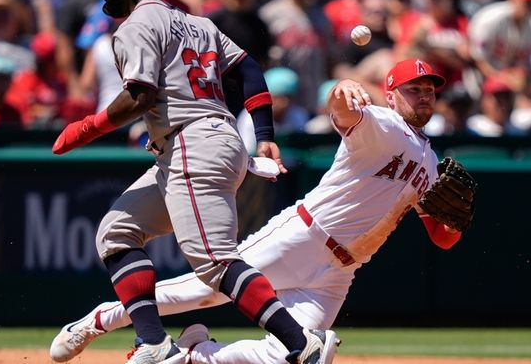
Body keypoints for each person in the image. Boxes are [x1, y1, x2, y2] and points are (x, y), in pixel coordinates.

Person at [50, 58, 468, 364]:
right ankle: (103, 318)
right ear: (392, 95)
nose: (425, 95)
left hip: (343, 269)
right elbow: (342, 111)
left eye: (430, 89)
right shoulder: (382, 123)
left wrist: (457, 221)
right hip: (304, 236)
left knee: (297, 355)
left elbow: (442, 238)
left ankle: (198, 354)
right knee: (204, 291)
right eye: (414, 88)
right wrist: (342, 86)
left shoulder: (431, 164)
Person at [50, 0, 337, 364]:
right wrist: (262, 132)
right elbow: (249, 68)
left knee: (216, 264)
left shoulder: (135, 26)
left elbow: (141, 96)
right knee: (116, 232)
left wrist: (87, 127)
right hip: (201, 142)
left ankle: (302, 343)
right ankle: (152, 343)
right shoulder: (197, 23)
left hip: (192, 143)